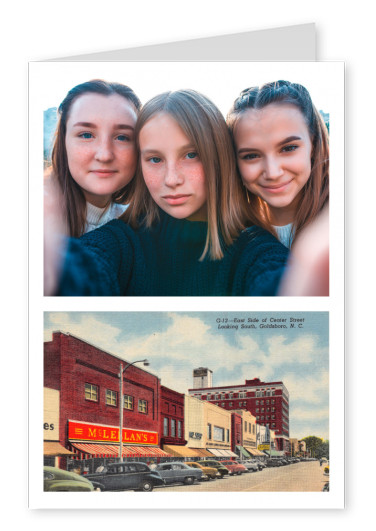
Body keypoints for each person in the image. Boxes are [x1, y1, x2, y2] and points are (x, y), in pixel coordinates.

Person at [47, 89, 289, 296]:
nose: (171, 179)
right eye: (155, 159)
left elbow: (280, 283)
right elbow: (85, 267)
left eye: (191, 155)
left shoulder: (257, 252)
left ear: (219, 157)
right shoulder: (122, 241)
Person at [227, 80, 329, 249]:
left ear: (314, 144)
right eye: (251, 155)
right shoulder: (232, 237)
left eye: (288, 148)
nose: (273, 172)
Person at [47, 79, 141, 237]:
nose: (104, 155)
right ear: (64, 142)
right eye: (86, 135)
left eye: (122, 137)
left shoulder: (141, 226)